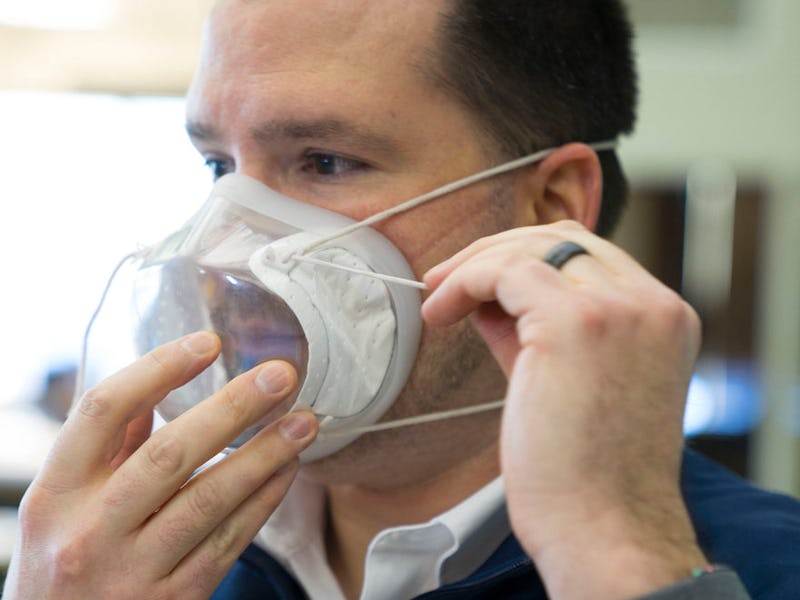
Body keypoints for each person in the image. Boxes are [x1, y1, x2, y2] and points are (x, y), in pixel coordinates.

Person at [3, 1, 800, 598]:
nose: (223, 246)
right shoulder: (116, 569)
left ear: (550, 208)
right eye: (219, 166)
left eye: (325, 161)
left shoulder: (763, 567)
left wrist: (624, 561)